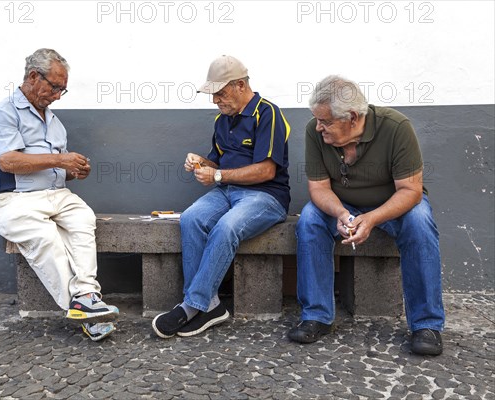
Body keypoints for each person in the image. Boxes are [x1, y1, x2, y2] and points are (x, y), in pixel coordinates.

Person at [290, 75, 445, 355]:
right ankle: (317, 315)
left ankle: (426, 324)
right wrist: (340, 212)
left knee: (420, 221)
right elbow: (319, 188)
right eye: (317, 120)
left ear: (351, 117)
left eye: (325, 121)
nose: (318, 126)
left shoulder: (396, 128)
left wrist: (372, 218)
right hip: (342, 204)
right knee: (310, 219)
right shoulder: (315, 132)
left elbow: (411, 190)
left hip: (390, 205)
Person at [0, 48, 119, 342]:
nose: (58, 95)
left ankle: (86, 294)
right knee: (46, 237)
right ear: (33, 76)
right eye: (55, 87)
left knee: (83, 219)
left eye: (62, 89)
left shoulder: (54, 121)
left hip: (57, 194)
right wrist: (60, 160)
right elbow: (8, 161)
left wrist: (74, 170)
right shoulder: (3, 112)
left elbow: (59, 170)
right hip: (15, 199)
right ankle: (83, 304)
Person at [152, 55, 291, 338]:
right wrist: (201, 162)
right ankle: (210, 305)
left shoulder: (268, 113)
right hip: (227, 192)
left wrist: (218, 177)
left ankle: (191, 305)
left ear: (240, 85)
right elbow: (218, 164)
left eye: (220, 92)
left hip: (266, 196)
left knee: (227, 227)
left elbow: (266, 170)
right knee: (191, 218)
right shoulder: (222, 120)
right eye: (213, 94)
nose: (215, 100)